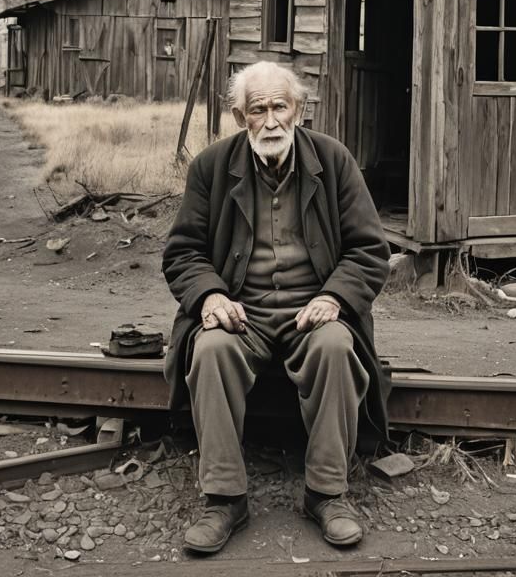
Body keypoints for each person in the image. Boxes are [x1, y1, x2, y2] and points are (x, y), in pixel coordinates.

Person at [162, 60, 390, 554]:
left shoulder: (334, 160)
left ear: (299, 111)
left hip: (314, 314)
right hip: (242, 314)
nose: (270, 121)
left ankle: (327, 494)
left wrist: (334, 296)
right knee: (211, 349)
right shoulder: (210, 167)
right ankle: (224, 499)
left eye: (279, 107)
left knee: (335, 346)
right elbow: (183, 253)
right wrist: (210, 295)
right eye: (257, 109)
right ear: (240, 115)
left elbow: (370, 251)